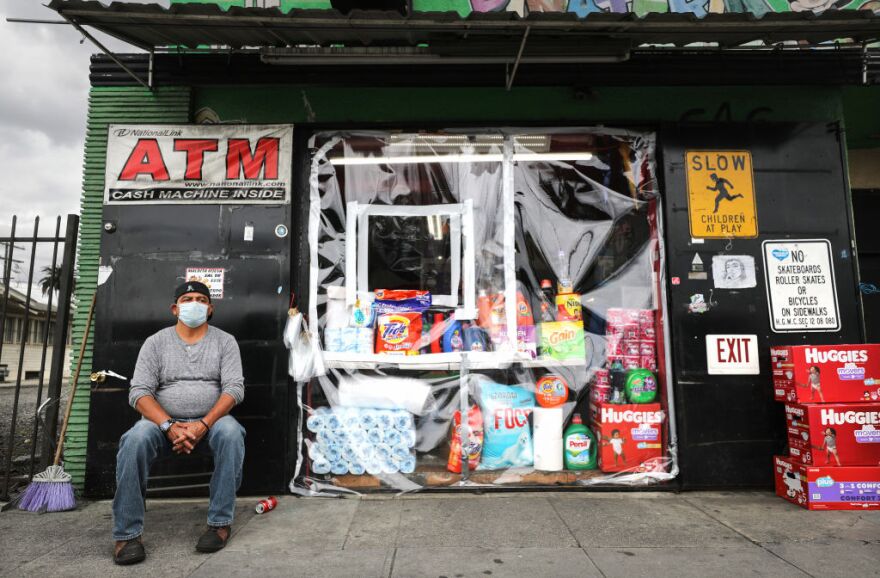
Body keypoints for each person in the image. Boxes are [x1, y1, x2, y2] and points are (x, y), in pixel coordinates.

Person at [112, 281, 246, 565]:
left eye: (200, 299)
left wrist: (204, 425)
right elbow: (139, 393)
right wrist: (169, 426)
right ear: (175, 308)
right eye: (187, 299)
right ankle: (127, 534)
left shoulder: (225, 341)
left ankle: (219, 523)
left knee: (232, 433)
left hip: (211, 424)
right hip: (161, 426)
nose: (194, 303)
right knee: (134, 440)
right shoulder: (156, 342)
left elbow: (234, 388)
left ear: (210, 308)